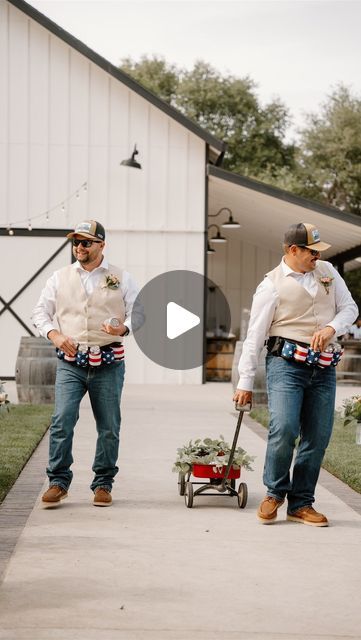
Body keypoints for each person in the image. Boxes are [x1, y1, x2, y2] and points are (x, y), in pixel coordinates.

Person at [233, 222, 358, 527]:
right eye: (311, 251)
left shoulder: (328, 271)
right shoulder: (270, 285)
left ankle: (301, 503)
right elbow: (255, 336)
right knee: (285, 428)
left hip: (323, 367)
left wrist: (332, 328)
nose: (317, 256)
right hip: (286, 365)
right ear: (293, 250)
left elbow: (350, 308)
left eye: (318, 251)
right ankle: (274, 493)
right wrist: (245, 382)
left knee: (317, 435)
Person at [32, 220, 138, 508]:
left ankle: (103, 484)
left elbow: (138, 313)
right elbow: (40, 312)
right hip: (71, 363)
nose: (79, 247)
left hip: (108, 362)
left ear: (101, 245)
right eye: (76, 242)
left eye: (86, 242)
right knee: (62, 421)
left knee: (108, 426)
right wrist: (53, 333)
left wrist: (123, 329)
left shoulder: (121, 277)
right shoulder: (59, 277)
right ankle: (58, 481)